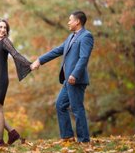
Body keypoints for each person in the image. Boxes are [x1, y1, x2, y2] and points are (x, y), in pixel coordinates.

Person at [31, 11, 94, 143]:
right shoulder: (71, 37)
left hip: (75, 79)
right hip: (68, 80)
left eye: (70, 20)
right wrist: (39, 61)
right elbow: (57, 51)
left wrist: (74, 75)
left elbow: (84, 58)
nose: (68, 22)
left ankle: (84, 140)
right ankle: (67, 136)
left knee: (77, 108)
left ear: (77, 21)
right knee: (60, 104)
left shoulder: (86, 36)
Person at [0, 18, 32, 147]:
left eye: (5, 28)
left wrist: (29, 65)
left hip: (0, 79)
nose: (2, 30)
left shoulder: (5, 42)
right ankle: (12, 133)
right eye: (0, 27)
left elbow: (15, 54)